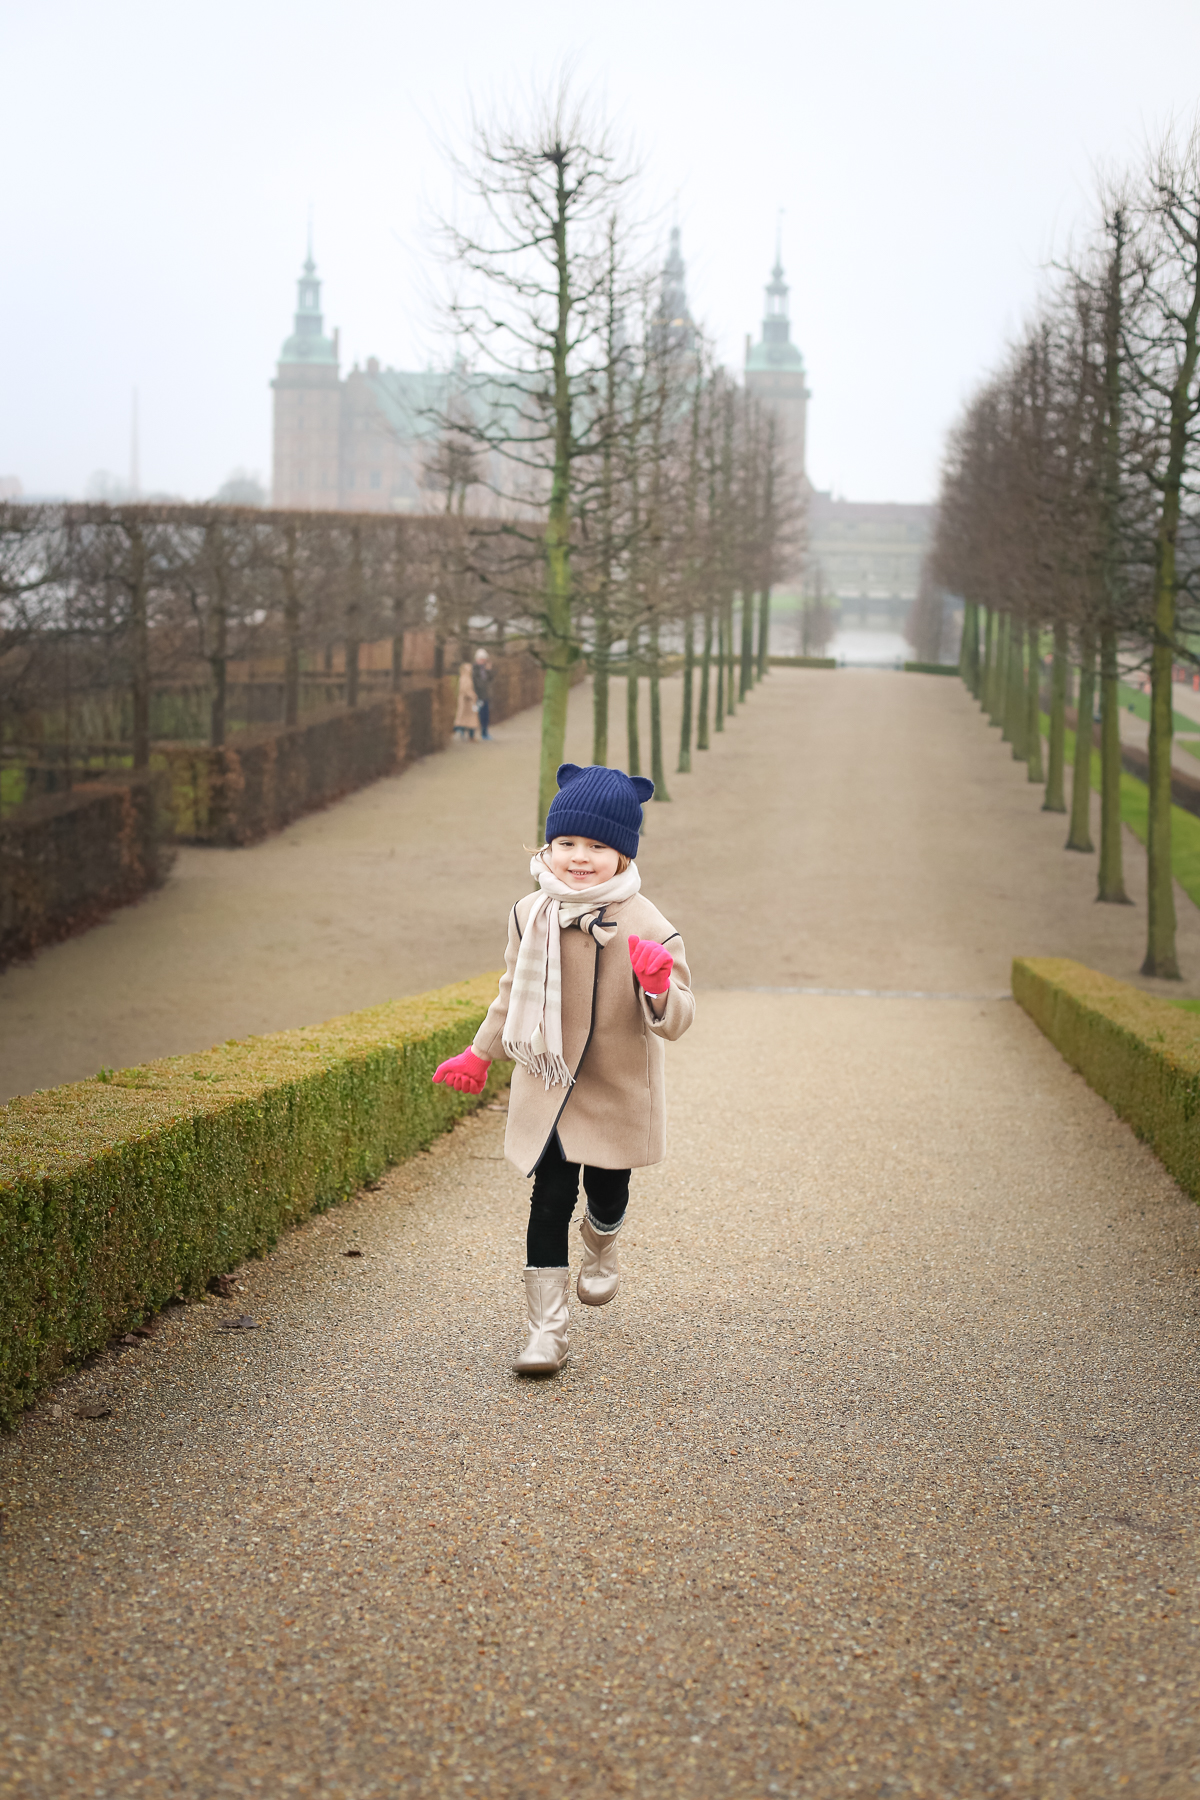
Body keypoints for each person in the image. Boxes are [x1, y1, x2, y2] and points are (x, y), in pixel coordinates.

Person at [432, 763, 695, 1374]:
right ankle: (545, 1334)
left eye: (598, 846)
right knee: (548, 1199)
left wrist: (656, 984)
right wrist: (479, 1052)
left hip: (614, 1085)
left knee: (607, 1191)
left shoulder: (648, 924)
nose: (580, 857)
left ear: (623, 855)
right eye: (567, 843)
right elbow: (508, 990)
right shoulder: (530, 913)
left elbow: (678, 1018)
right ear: (547, 846)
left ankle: (602, 1243)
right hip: (548, 1082)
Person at [472, 648, 494, 740]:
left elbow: (490, 679)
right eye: (481, 659)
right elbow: (479, 683)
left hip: (485, 696)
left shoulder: (484, 669)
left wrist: (489, 670)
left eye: (484, 659)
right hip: (477, 696)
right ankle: (470, 733)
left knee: (485, 715)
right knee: (475, 715)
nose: (483, 661)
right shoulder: (474, 670)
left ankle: (484, 733)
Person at [453, 661, 478, 740]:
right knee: (468, 719)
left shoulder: (465, 677)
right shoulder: (465, 678)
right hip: (467, 702)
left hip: (466, 702)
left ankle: (465, 733)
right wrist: (473, 695)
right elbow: (465, 690)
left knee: (465, 719)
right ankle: (466, 734)